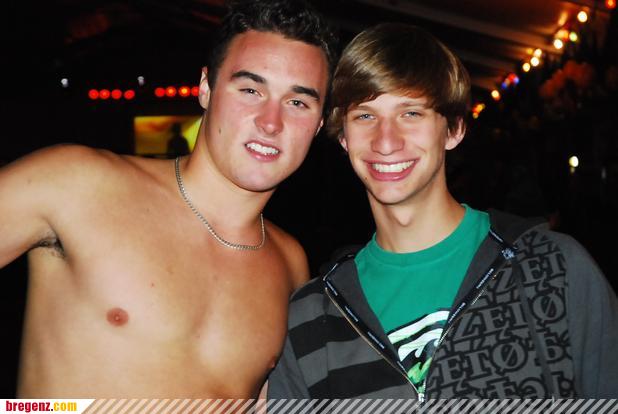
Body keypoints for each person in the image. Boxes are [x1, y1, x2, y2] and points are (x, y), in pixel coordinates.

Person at [0, 0, 337, 397]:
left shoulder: (290, 262)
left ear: (318, 123)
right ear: (206, 89)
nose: (270, 122)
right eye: (250, 90)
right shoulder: (75, 183)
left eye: (297, 102)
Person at [268, 23, 618, 399]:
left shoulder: (553, 268)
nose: (386, 141)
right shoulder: (312, 315)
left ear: (454, 129)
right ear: (343, 137)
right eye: (365, 116)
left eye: (411, 113)